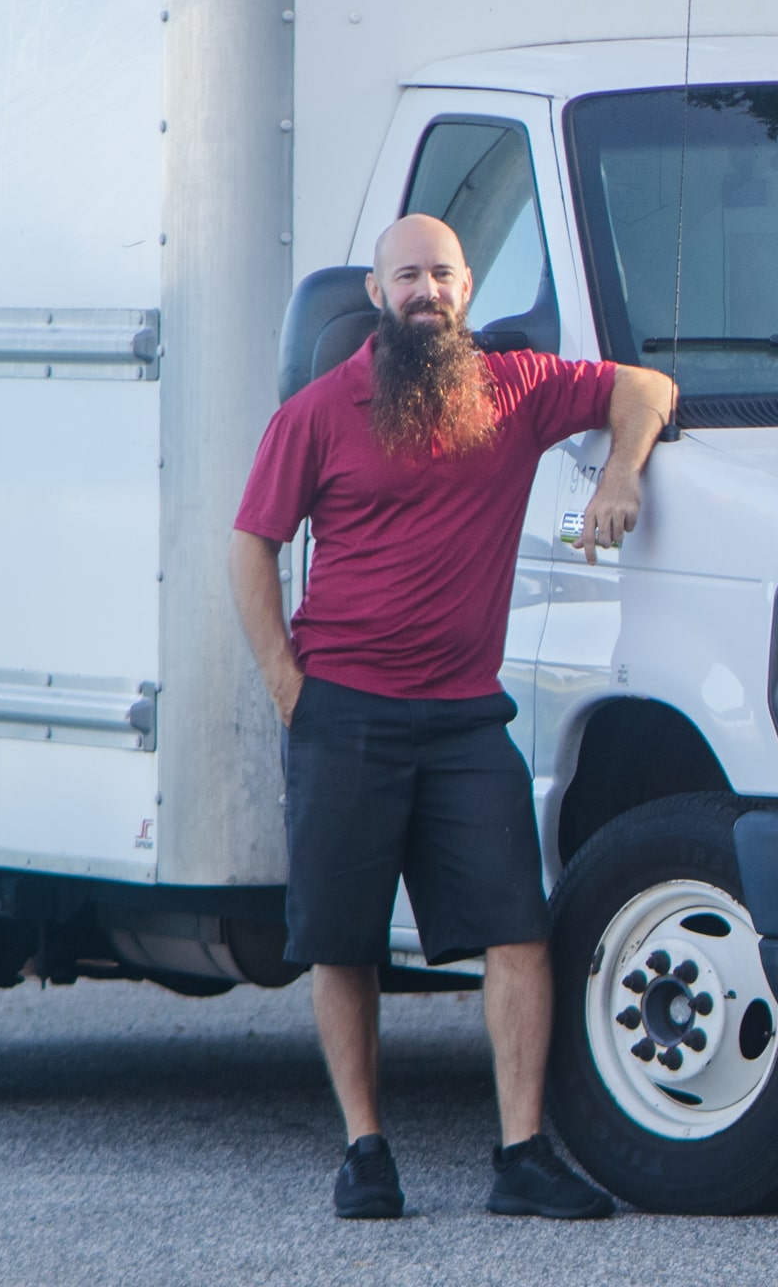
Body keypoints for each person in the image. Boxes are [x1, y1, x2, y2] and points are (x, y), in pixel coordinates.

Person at [226, 214, 677, 1220]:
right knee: (344, 943)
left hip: (467, 717)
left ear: (467, 288)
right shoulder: (319, 410)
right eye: (406, 278)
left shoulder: (512, 391)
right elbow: (251, 545)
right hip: (343, 710)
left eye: (441, 274)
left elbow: (644, 389)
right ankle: (366, 1151)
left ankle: (521, 1157)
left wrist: (621, 468)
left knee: (517, 930)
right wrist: (287, 684)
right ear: (376, 296)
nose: (425, 292)